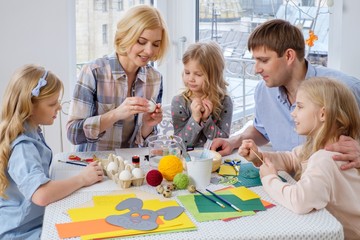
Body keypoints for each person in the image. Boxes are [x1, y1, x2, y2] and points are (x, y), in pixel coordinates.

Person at [211, 19, 360, 170]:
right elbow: (262, 130)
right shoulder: (263, 91)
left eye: (264, 60)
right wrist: (234, 141)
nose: (256, 69)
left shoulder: (346, 88)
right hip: (287, 181)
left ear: (289, 56)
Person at [239, 77, 360, 239]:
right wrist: (259, 157)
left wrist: (269, 179)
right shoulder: (321, 148)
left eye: (300, 107)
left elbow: (300, 201)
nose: (293, 113)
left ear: (323, 113)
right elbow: (290, 159)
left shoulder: (325, 159)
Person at [0, 65, 104, 239]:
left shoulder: (31, 131)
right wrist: (83, 178)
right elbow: (41, 195)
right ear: (30, 106)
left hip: (32, 220)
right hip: (20, 231)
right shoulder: (23, 147)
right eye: (51, 103)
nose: (58, 107)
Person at [67, 5, 170, 151]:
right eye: (141, 41)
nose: (149, 51)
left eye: (156, 44)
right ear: (126, 36)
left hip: (130, 165)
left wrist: (148, 125)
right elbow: (73, 133)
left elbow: (143, 142)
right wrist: (116, 114)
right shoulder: (93, 72)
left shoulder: (155, 78)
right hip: (93, 166)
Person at [171, 41, 233, 147]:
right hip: (187, 161)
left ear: (214, 76)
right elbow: (179, 144)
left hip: (215, 160)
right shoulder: (179, 102)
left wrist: (206, 120)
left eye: (198, 74)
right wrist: (195, 118)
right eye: (187, 72)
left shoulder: (225, 102)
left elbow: (223, 141)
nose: (191, 79)